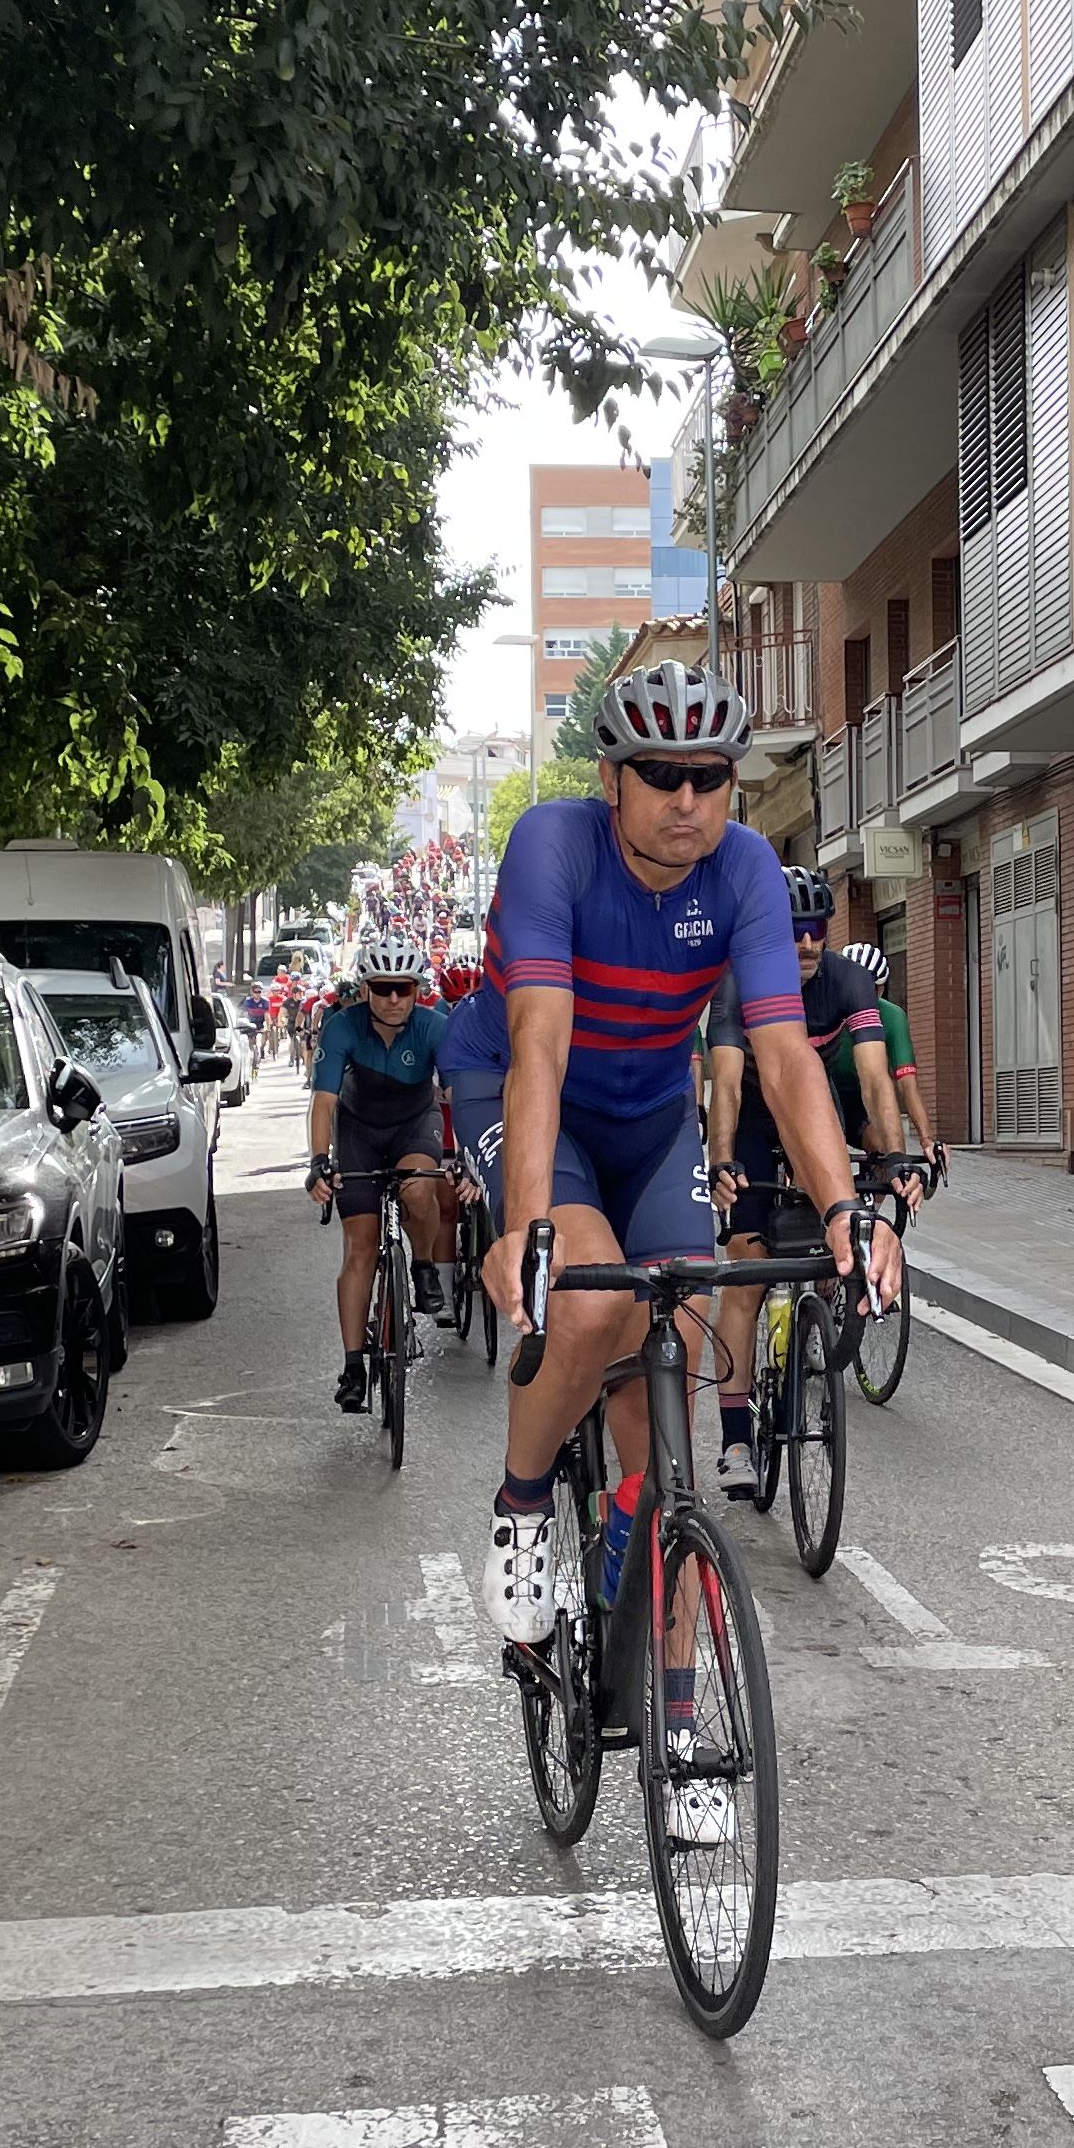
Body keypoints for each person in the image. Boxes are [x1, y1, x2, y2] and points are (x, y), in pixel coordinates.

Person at [449, 662, 902, 1702]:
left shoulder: (744, 868)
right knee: (585, 1294)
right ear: (613, 780)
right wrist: (524, 1227)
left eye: (709, 776)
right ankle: (522, 1507)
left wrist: (842, 1209)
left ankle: (683, 1712)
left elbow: (785, 1057)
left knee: (675, 1382)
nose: (687, 799)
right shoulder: (551, 847)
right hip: (526, 1093)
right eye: (661, 775)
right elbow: (540, 1044)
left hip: (653, 1123)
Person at [700, 868, 898, 1499]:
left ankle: (810, 1322)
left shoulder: (850, 982)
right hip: (755, 1116)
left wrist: (894, 1160)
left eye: (816, 931)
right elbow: (726, 1087)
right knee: (746, 1267)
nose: (807, 945)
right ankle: (735, 1437)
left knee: (831, 1234)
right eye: (792, 933)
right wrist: (724, 1161)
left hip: (815, 1112)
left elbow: (873, 1079)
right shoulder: (736, 985)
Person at [304, 958, 455, 1410]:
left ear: (416, 991)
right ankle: (353, 1367)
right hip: (359, 1132)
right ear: (367, 988)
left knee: (417, 1187)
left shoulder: (435, 1027)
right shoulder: (342, 1027)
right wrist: (318, 1162)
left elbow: (454, 1095)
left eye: (403, 990)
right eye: (383, 988)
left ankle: (423, 1265)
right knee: (360, 1247)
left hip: (413, 1124)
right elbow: (324, 1101)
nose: (393, 1000)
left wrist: (464, 1156)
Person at [824, 941, 944, 1184]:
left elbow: (907, 1085)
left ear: (881, 990)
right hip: (823, 1097)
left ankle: (871, 1210)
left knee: (884, 1148)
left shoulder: (892, 1016)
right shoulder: (821, 1006)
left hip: (862, 1105)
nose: (859, 997)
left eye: (870, 990)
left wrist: (928, 1140)